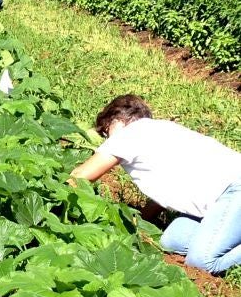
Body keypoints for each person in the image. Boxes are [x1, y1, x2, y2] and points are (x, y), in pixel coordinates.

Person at [68, 94, 241, 275]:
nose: (107, 139)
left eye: (105, 131)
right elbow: (164, 195)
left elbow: (80, 176)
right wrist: (139, 222)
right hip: (222, 197)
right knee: (172, 241)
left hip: (235, 188)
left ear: (117, 120)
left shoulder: (129, 135)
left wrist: (49, 193)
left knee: (202, 261)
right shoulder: (159, 132)